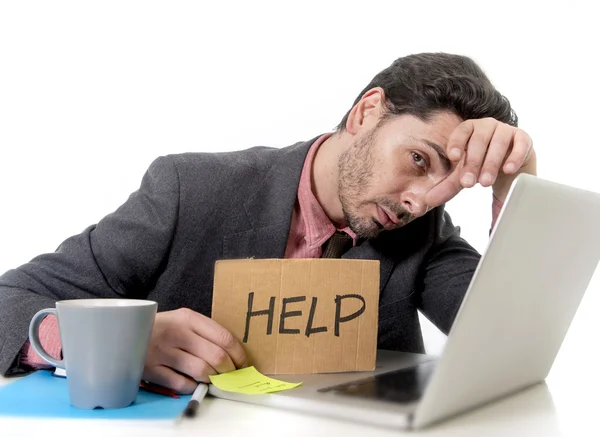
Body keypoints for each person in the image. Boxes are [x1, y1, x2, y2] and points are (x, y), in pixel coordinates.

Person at [0, 52, 536, 393]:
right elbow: (11, 299)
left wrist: (520, 189)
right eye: (419, 160)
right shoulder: (190, 191)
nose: (418, 201)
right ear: (367, 112)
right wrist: (119, 342)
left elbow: (513, 343)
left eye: (448, 184)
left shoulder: (421, 231)